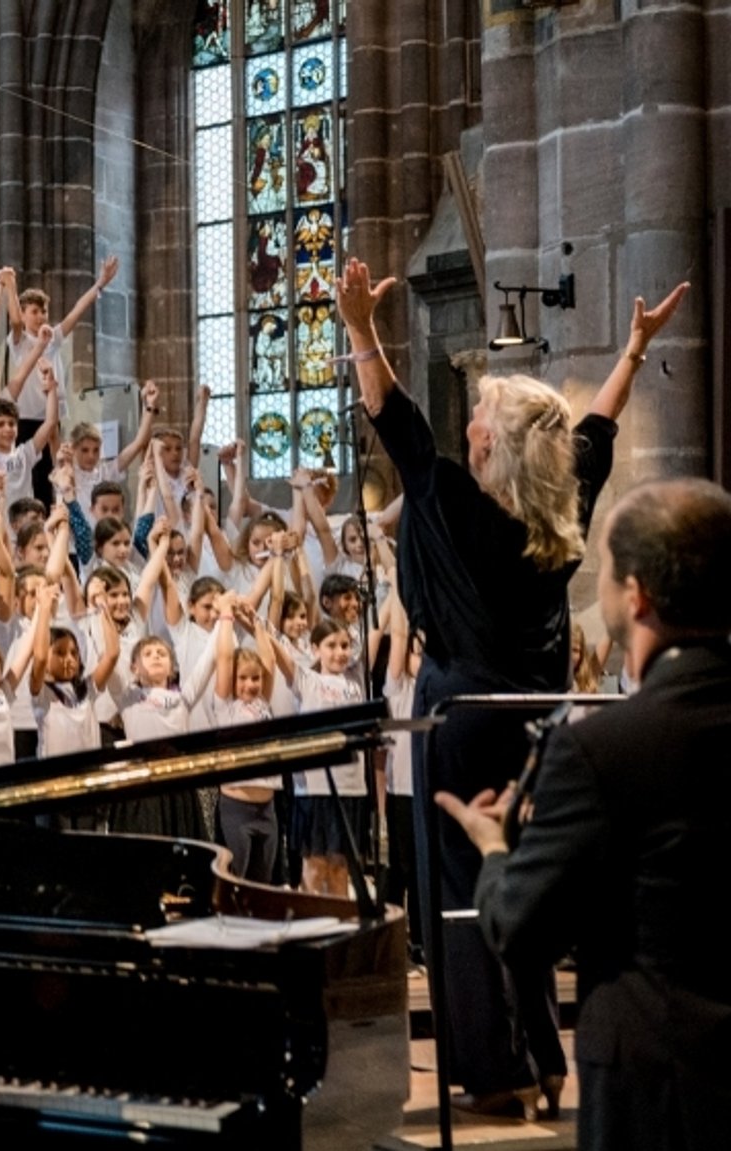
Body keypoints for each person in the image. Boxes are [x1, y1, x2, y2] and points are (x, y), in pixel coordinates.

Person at [335, 258, 683, 1116]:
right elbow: (594, 434)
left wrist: (360, 331)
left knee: (460, 894)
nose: (470, 425)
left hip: (459, 716)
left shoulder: (456, 501)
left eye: (480, 416)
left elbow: (399, 425)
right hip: (534, 719)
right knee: (518, 877)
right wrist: (634, 353)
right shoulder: (560, 511)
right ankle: (546, 1058)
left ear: (488, 441)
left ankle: (495, 1071)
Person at [436, 478, 731, 1150]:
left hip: (658, 1087)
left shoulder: (601, 746)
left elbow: (522, 927)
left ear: (635, 595)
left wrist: (494, 849)